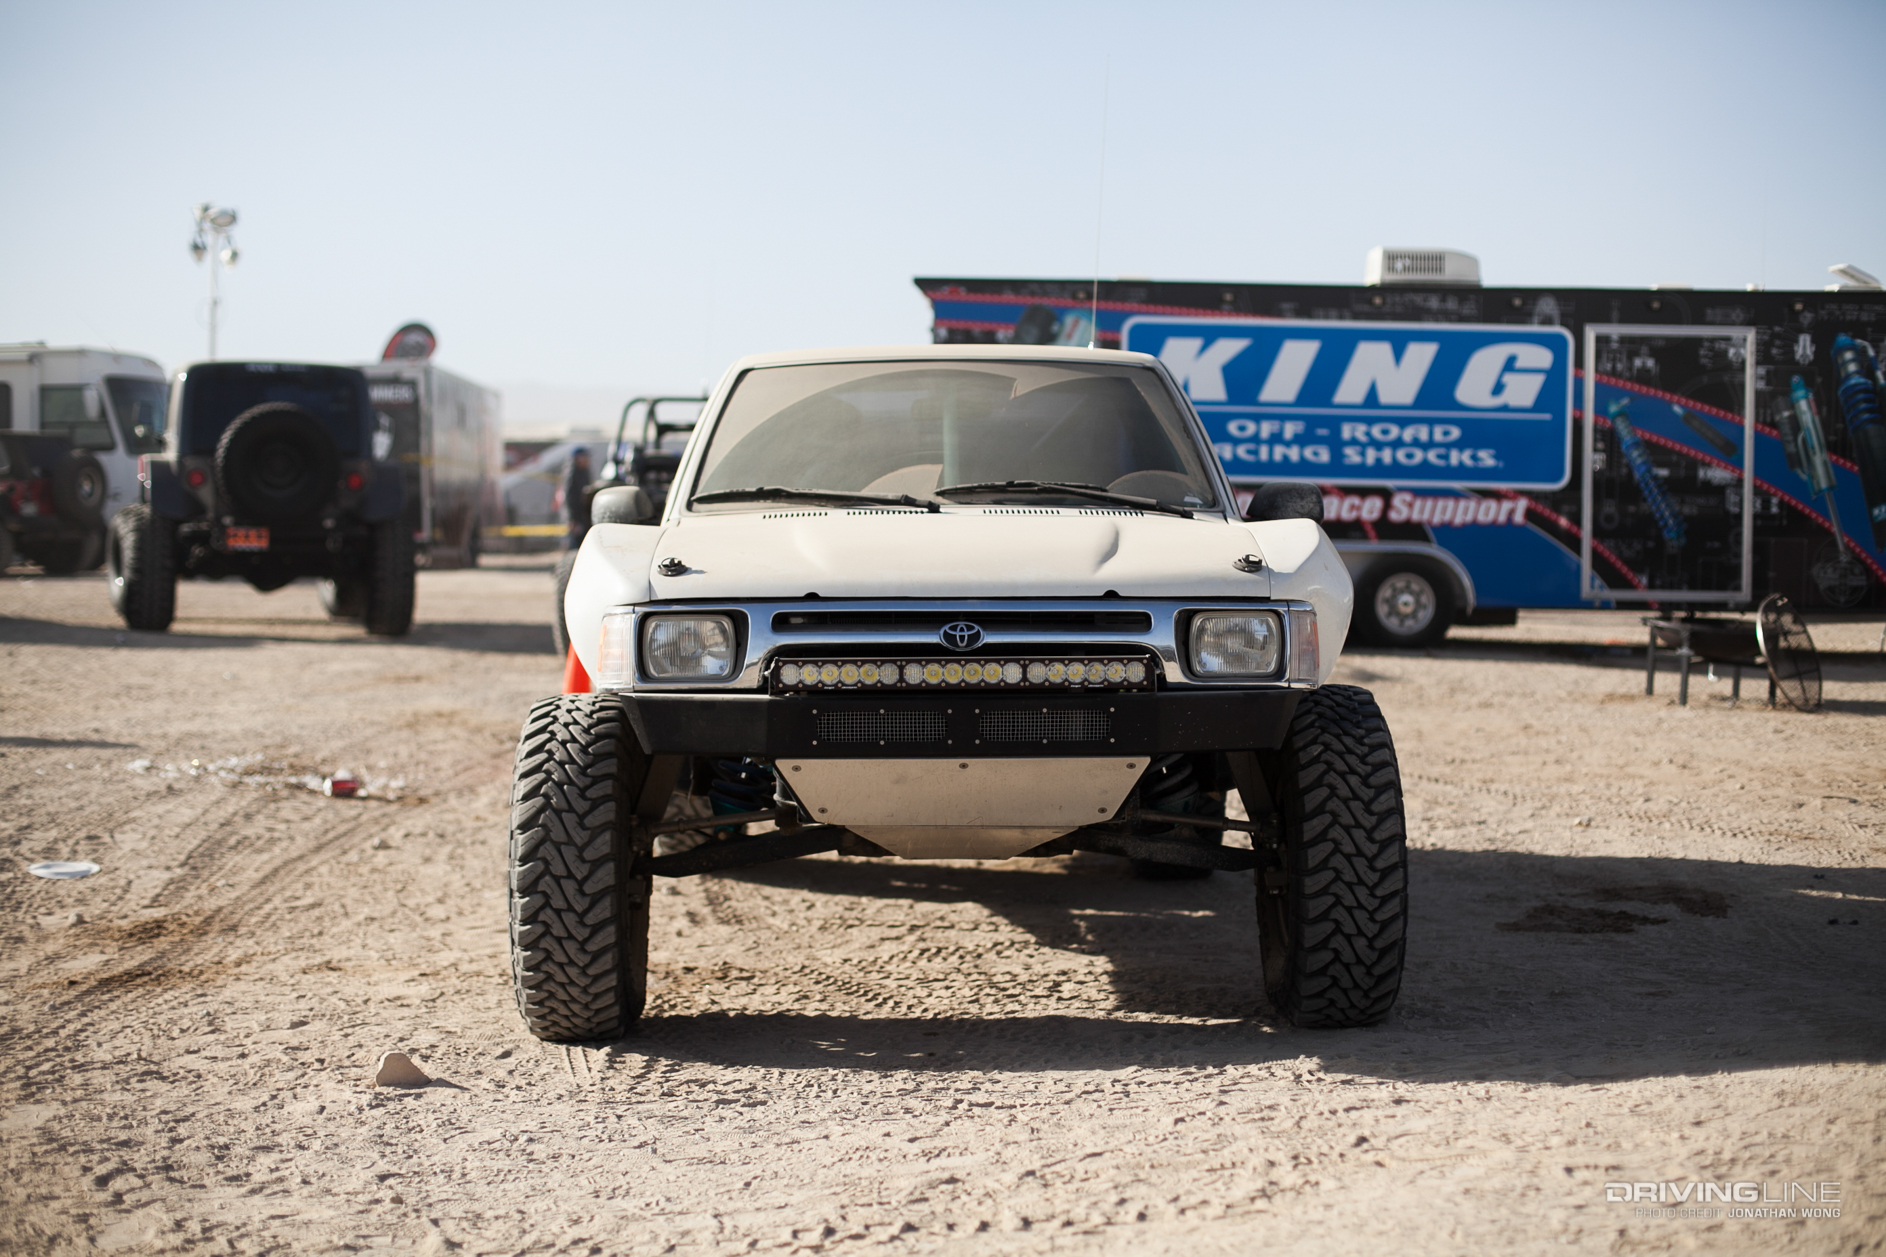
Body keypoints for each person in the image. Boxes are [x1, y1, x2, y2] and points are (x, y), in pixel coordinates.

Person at [562, 446, 591, 550]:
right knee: (575, 544)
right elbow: (569, 498)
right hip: (576, 516)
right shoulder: (572, 473)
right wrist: (572, 518)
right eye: (585, 457)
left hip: (583, 515)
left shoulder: (584, 472)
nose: (587, 459)